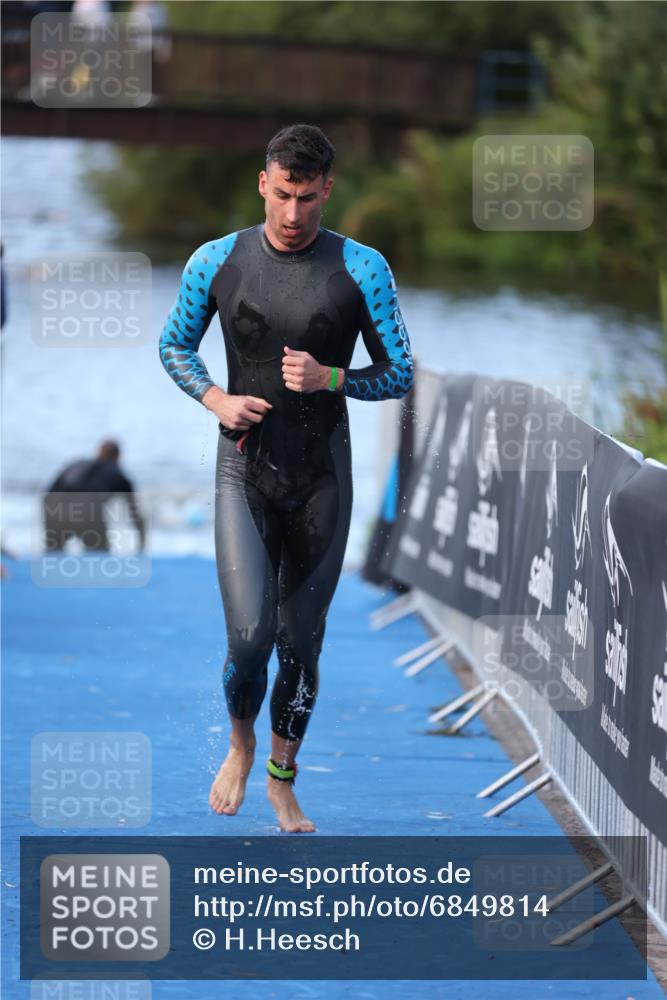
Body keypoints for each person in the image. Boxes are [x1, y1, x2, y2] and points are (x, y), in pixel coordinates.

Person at [159, 123, 414, 832]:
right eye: (282, 196)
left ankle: (280, 778)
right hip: (243, 472)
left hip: (321, 478)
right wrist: (214, 397)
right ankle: (239, 745)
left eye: (307, 199)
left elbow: (399, 375)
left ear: (327, 190)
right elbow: (173, 343)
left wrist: (332, 376)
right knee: (249, 640)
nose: (293, 214)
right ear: (262, 185)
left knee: (301, 641)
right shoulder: (215, 260)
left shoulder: (363, 270)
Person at [43, 440, 146, 552]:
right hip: (88, 514)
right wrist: (142, 547)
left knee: (54, 554)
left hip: (55, 510)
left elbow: (49, 494)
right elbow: (135, 513)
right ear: (118, 456)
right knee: (99, 556)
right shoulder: (116, 473)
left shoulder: (77, 464)